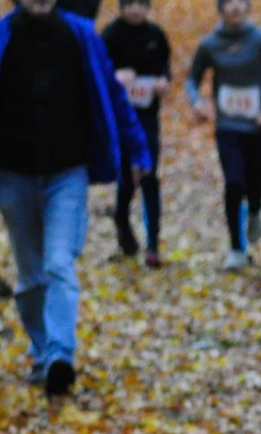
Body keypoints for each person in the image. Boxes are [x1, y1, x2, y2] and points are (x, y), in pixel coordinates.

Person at [0, 0, 150, 396]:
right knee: (31, 276)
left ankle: (59, 356)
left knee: (58, 263)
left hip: (67, 173)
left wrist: (137, 150)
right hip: (11, 177)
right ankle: (41, 350)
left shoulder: (81, 36)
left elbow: (114, 96)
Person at [187, 0, 261, 270]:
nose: (235, 8)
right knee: (233, 183)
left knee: (254, 182)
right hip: (228, 127)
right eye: (229, 3)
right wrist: (197, 101)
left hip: (259, 126)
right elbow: (192, 78)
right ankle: (236, 249)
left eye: (240, 2)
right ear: (220, 9)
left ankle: (256, 211)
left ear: (247, 7)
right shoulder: (210, 44)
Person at [102, 0, 172, 266]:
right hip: (118, 117)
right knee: (126, 177)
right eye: (130, 4)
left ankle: (153, 245)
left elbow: (166, 67)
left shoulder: (155, 34)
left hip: (147, 116)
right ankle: (121, 219)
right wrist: (115, 77)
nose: (135, 10)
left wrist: (163, 81)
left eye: (141, 4)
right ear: (121, 7)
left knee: (149, 175)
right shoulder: (110, 35)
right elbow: (95, 71)